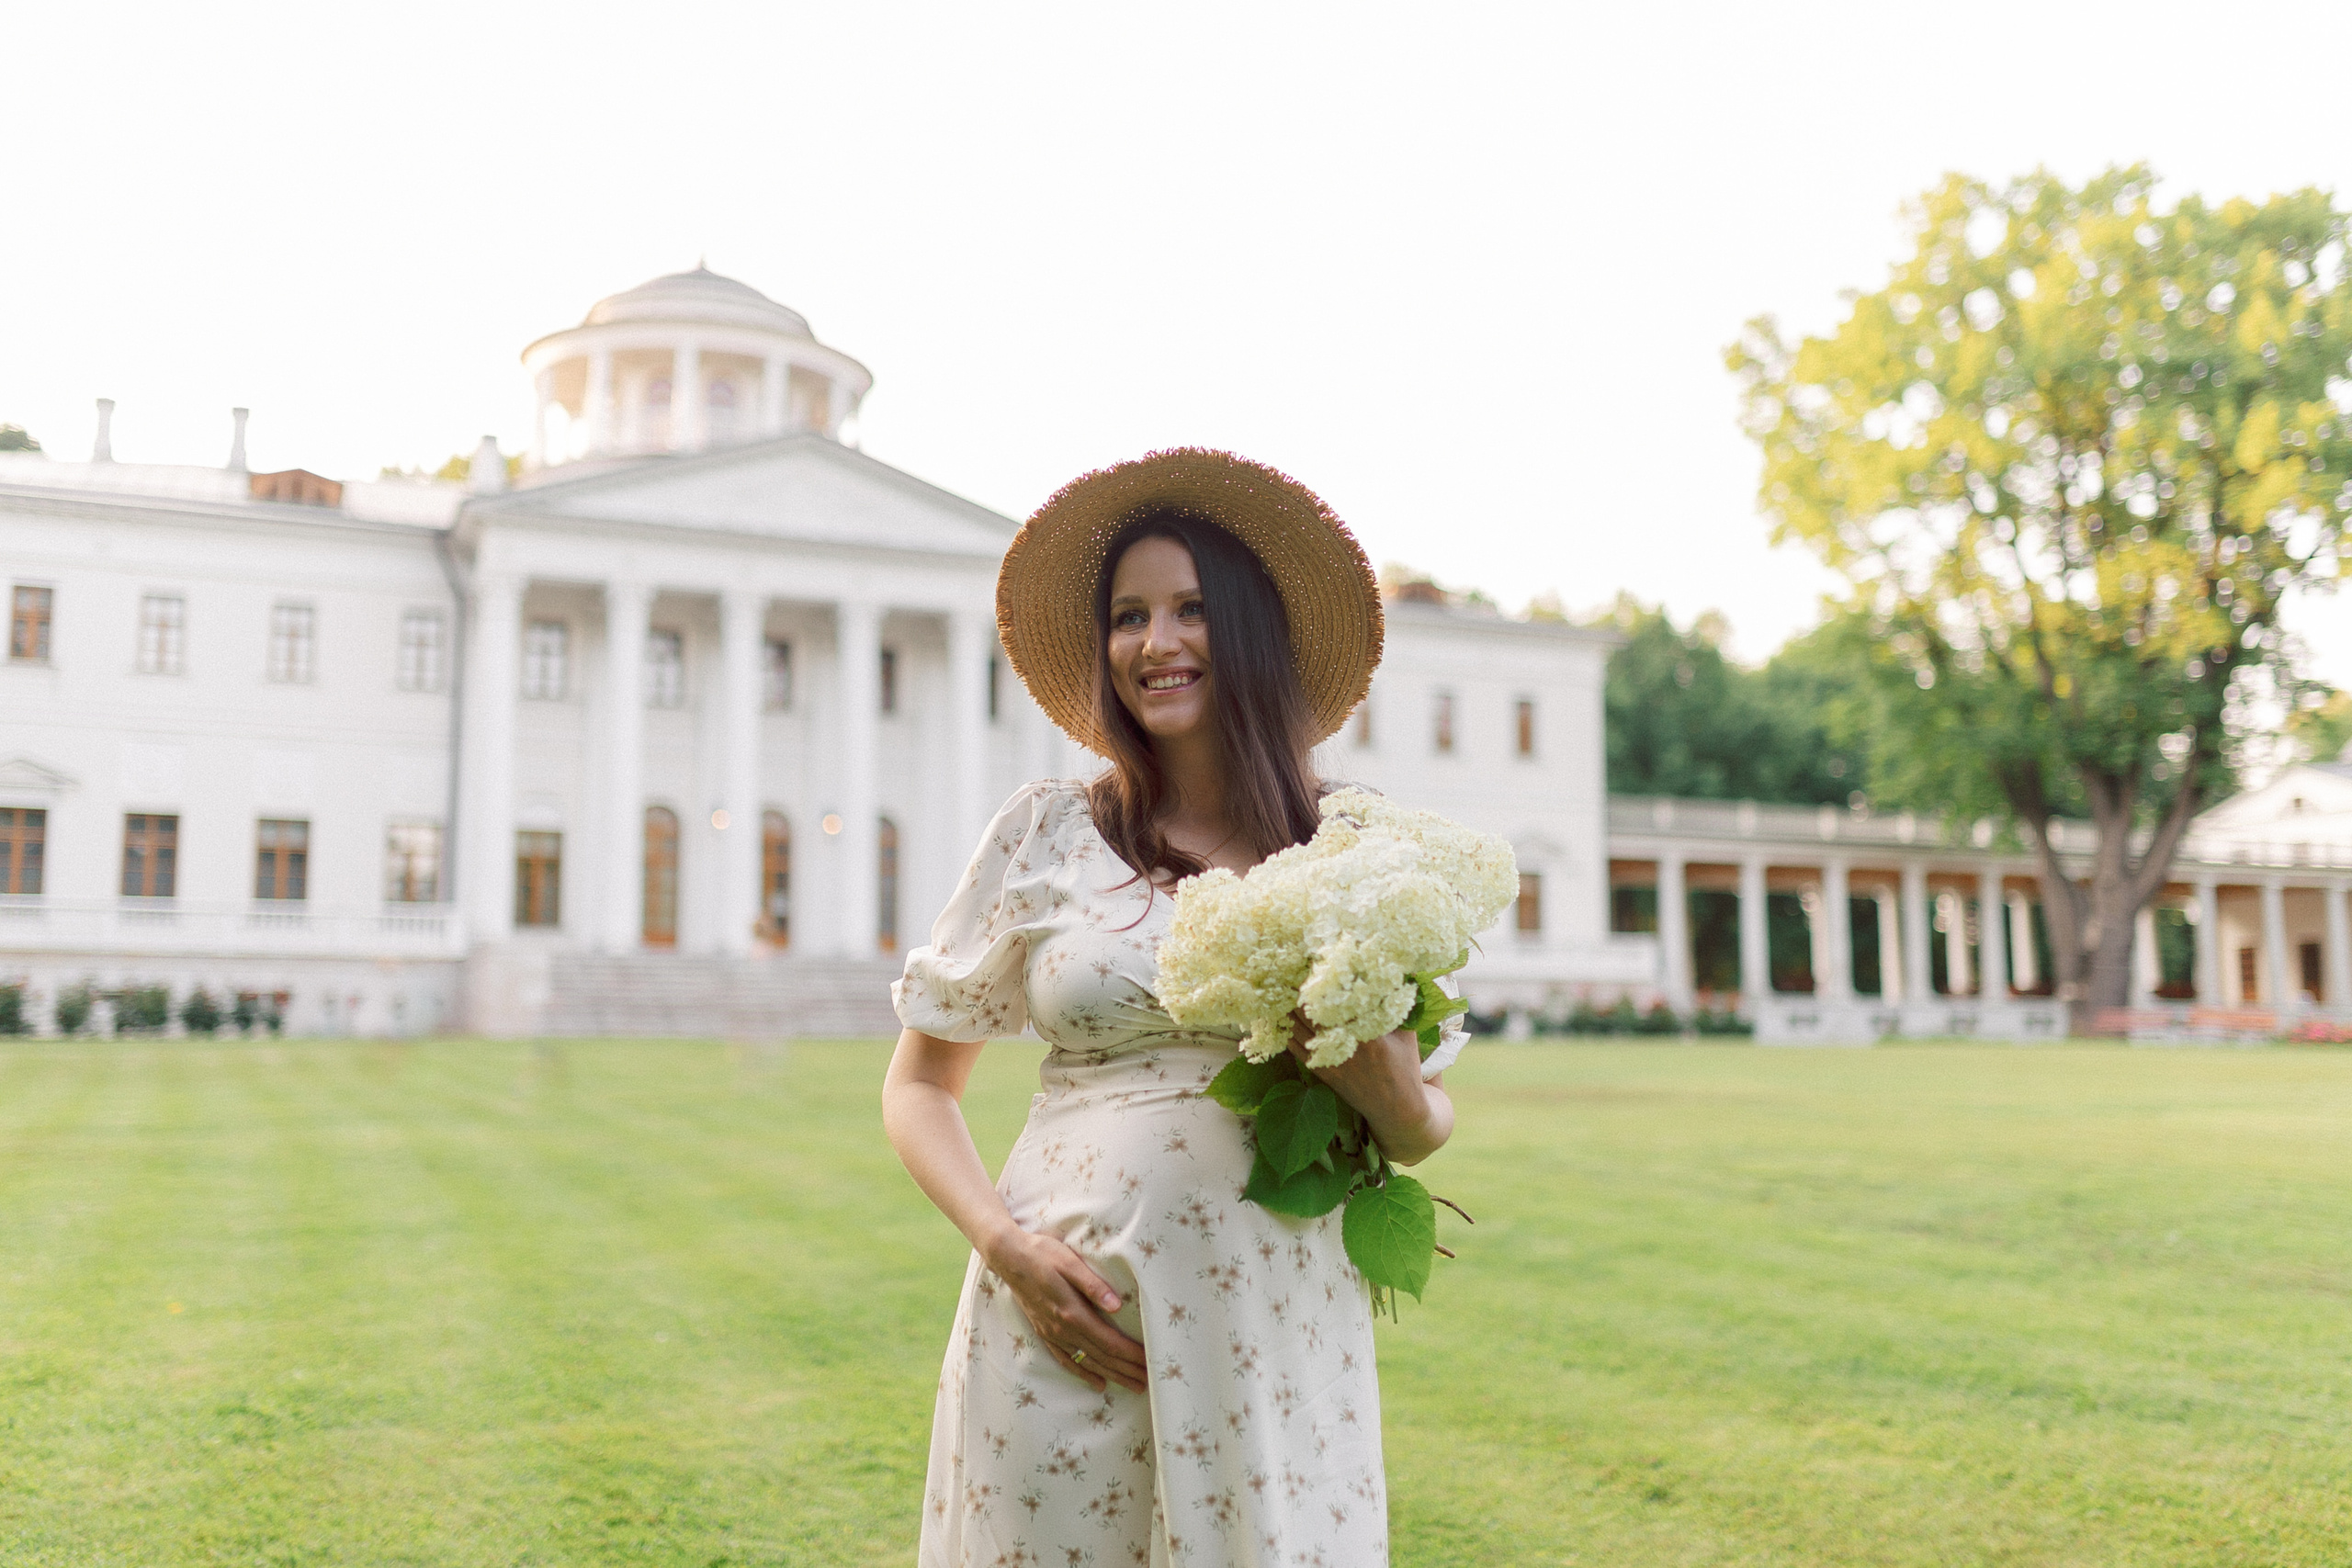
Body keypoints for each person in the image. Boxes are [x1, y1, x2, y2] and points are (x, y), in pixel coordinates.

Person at [883, 448, 1464, 1566]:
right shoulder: (1047, 829)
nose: (1156, 643)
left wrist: (1386, 1090)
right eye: (1129, 615)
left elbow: (1423, 1123)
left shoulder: (1352, 850)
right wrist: (1006, 1249)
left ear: (1248, 633)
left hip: (1271, 1330)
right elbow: (918, 1084)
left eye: (1192, 610)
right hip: (1065, 1324)